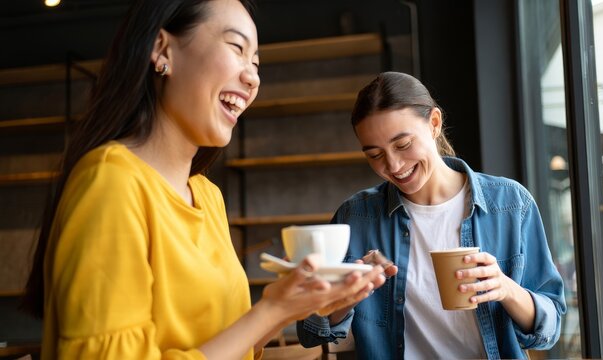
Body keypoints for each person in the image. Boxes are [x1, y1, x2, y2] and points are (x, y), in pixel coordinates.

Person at [21, 0, 386, 358]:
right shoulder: (111, 181)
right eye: (236, 48)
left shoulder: (207, 196)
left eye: (256, 63)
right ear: (163, 50)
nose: (253, 77)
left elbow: (231, 348)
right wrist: (271, 309)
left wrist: (297, 305)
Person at [297, 71, 567, 359]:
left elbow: (549, 327)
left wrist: (505, 289)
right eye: (375, 155)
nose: (394, 165)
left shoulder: (510, 204)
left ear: (434, 123)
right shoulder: (356, 217)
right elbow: (310, 333)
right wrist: (346, 298)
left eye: (403, 145)